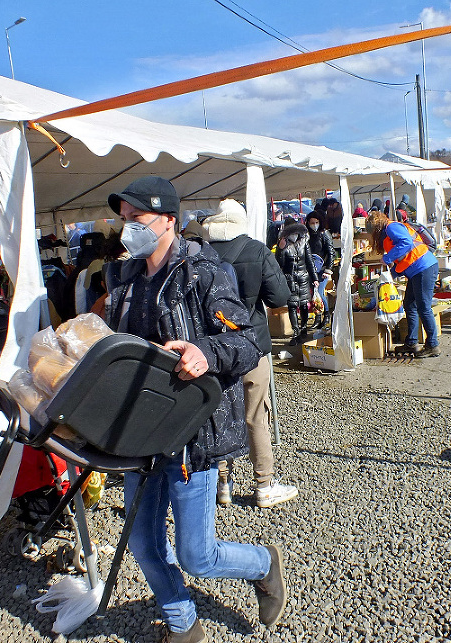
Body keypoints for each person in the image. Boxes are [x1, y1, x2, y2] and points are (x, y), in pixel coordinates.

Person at [104, 177, 287, 642]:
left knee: (197, 556)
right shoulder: (122, 279)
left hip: (190, 434)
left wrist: (205, 350)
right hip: (136, 434)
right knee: (144, 545)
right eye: (124, 221)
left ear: (169, 219)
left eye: (137, 220)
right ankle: (184, 625)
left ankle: (264, 563)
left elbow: (248, 341)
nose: (128, 230)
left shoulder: (204, 271)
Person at [202, 199, 298, 509]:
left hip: (214, 349)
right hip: (252, 343)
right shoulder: (257, 251)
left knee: (218, 414)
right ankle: (264, 485)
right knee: (257, 414)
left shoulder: (201, 254)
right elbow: (280, 296)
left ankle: (223, 484)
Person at [367, 210, 440, 357]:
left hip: (423, 268)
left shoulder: (391, 227)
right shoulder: (389, 231)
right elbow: (404, 258)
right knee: (409, 304)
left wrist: (388, 258)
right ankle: (411, 342)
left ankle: (432, 345)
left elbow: (406, 243)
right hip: (417, 270)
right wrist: (390, 275)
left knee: (423, 307)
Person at [276, 218, 319, 344]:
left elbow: (309, 261)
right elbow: (279, 264)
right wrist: (280, 250)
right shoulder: (283, 243)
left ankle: (304, 329)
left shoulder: (304, 242)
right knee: (292, 306)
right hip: (290, 279)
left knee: (304, 304)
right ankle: (296, 333)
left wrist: (315, 277)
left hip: (303, 277)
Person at [305, 209, 335, 330]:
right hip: (311, 269)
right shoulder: (306, 235)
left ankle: (326, 316)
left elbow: (331, 252)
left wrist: (328, 269)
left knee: (320, 293)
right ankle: (318, 317)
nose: (314, 225)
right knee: (314, 294)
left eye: (316, 222)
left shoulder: (324, 234)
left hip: (322, 269)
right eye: (312, 222)